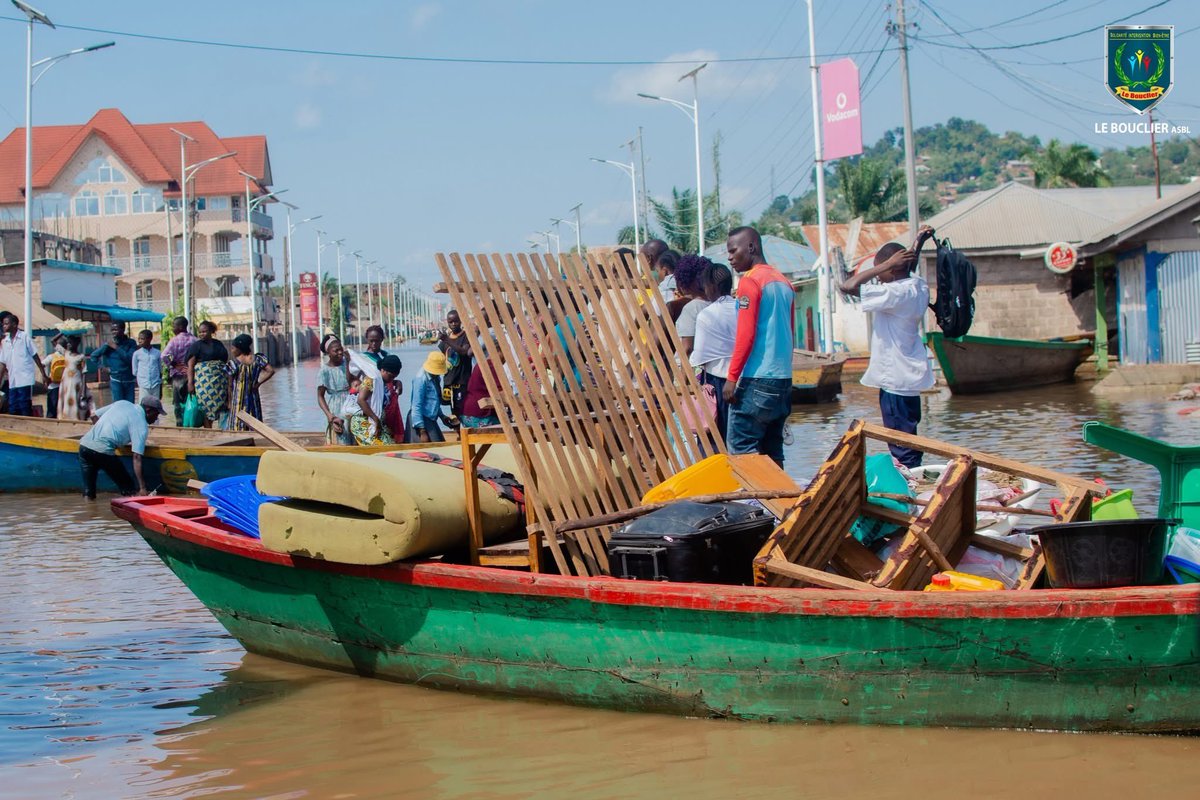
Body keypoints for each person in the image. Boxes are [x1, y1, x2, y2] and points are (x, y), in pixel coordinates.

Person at [840, 227, 937, 468]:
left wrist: (884, 265)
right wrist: (917, 244)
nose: (878, 277)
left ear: (892, 268)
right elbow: (907, 271)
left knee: (901, 446)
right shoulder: (918, 285)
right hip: (909, 376)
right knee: (907, 439)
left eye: (882, 270)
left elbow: (848, 286)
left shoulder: (894, 293)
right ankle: (912, 479)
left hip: (894, 377)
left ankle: (910, 489)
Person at [722, 226, 795, 466]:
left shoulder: (750, 281)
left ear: (751, 247)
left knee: (743, 450)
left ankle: (757, 502)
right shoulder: (784, 283)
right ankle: (781, 502)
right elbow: (789, 333)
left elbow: (746, 335)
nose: (730, 257)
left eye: (733, 250)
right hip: (783, 380)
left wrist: (732, 378)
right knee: (773, 453)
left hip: (758, 378)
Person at [78, 395, 164, 499]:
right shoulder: (141, 424)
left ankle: (90, 510)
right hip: (103, 451)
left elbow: (94, 416)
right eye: (156, 414)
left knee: (88, 493)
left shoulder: (122, 403)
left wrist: (105, 435)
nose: (156, 418)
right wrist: (142, 488)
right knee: (129, 490)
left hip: (84, 446)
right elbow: (136, 457)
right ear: (148, 410)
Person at [690, 262, 737, 442]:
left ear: (711, 286)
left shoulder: (707, 314)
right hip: (744, 379)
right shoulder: (743, 308)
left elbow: (698, 356)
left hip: (719, 384)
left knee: (718, 438)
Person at [0, 312, 48, 416]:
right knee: (12, 406)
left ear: (14, 325)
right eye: (3, 324)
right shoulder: (5, 342)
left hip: (24, 379)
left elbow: (35, 356)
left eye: (6, 324)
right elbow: (3, 363)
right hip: (13, 380)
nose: (4, 326)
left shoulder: (24, 337)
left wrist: (43, 374)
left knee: (24, 405)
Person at [348, 353, 401, 446]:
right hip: (362, 422)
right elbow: (361, 400)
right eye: (391, 376)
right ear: (383, 370)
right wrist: (375, 419)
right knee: (382, 446)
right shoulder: (372, 379)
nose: (392, 379)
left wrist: (398, 382)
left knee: (391, 444)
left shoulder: (383, 380)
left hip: (375, 421)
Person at [225, 333, 274, 431]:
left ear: (240, 348)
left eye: (233, 348)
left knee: (237, 426)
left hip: (237, 400)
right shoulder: (257, 359)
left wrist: (229, 402)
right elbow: (270, 371)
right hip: (253, 398)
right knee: (255, 425)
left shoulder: (233, 364)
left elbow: (230, 385)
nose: (232, 350)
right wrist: (258, 383)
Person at [186, 320, 229, 429]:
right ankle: (208, 430)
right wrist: (190, 383)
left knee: (221, 407)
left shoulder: (218, 344)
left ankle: (221, 431)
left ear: (211, 331)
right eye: (200, 332)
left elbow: (224, 362)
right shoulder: (196, 346)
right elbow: (190, 366)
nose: (201, 334)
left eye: (204, 332)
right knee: (205, 408)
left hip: (219, 382)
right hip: (203, 383)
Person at [407, 351, 456, 443]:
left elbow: (434, 400)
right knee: (428, 450)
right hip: (420, 419)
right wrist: (422, 431)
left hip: (430, 417)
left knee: (439, 443)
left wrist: (442, 416)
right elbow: (416, 406)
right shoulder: (420, 379)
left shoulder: (435, 378)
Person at [673, 254, 714, 356]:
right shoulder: (716, 304)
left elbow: (687, 348)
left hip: (688, 367)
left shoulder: (691, 309)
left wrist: (682, 372)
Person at [316, 334, 354, 444]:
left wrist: (348, 363)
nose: (340, 353)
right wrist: (329, 415)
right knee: (341, 438)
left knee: (355, 436)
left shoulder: (349, 363)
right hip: (336, 407)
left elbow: (353, 381)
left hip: (351, 402)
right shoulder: (324, 371)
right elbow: (320, 396)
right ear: (328, 353)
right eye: (335, 351)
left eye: (341, 349)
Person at [161, 316, 197, 427]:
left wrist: (174, 365)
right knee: (191, 402)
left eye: (174, 326)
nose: (172, 328)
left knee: (178, 405)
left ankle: (180, 426)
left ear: (180, 327)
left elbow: (164, 356)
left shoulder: (174, 340)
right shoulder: (195, 340)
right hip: (192, 377)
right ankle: (191, 425)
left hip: (178, 378)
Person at [89, 321, 137, 404]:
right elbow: (93, 356)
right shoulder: (108, 345)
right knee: (118, 405)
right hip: (116, 379)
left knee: (130, 405)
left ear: (123, 329)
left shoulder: (131, 343)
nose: (113, 332)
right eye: (112, 330)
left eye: (116, 329)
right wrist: (102, 367)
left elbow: (129, 358)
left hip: (129, 379)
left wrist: (116, 347)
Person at [438, 310, 473, 417]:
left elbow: (464, 352)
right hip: (449, 381)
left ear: (460, 321)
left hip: (462, 380)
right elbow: (443, 358)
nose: (453, 324)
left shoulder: (465, 336)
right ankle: (457, 431)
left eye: (456, 321)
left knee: (462, 408)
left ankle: (463, 430)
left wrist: (447, 340)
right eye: (450, 322)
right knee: (453, 410)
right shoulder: (446, 339)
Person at [57, 335, 91, 420]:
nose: (68, 345)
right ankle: (66, 418)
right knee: (66, 400)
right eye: (68, 343)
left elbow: (84, 373)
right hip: (66, 383)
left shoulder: (81, 357)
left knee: (76, 400)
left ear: (76, 343)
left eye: (70, 343)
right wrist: (63, 332)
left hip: (76, 383)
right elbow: (53, 341)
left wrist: (83, 390)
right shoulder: (66, 353)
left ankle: (76, 418)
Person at [460, 359, 500, 428]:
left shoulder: (482, 363)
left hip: (468, 413)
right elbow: (500, 391)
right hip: (479, 414)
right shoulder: (491, 365)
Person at [131, 329, 162, 401]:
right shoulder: (137, 354)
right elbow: (135, 371)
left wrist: (160, 386)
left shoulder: (157, 353)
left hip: (155, 385)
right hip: (143, 385)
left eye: (142, 339)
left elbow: (160, 370)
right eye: (138, 339)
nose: (139, 341)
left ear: (149, 339)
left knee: (155, 407)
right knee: (143, 407)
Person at [44, 334, 67, 419]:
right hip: (65, 386)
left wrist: (45, 377)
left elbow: (42, 365)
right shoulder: (68, 354)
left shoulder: (52, 356)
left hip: (53, 386)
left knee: (52, 409)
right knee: (63, 409)